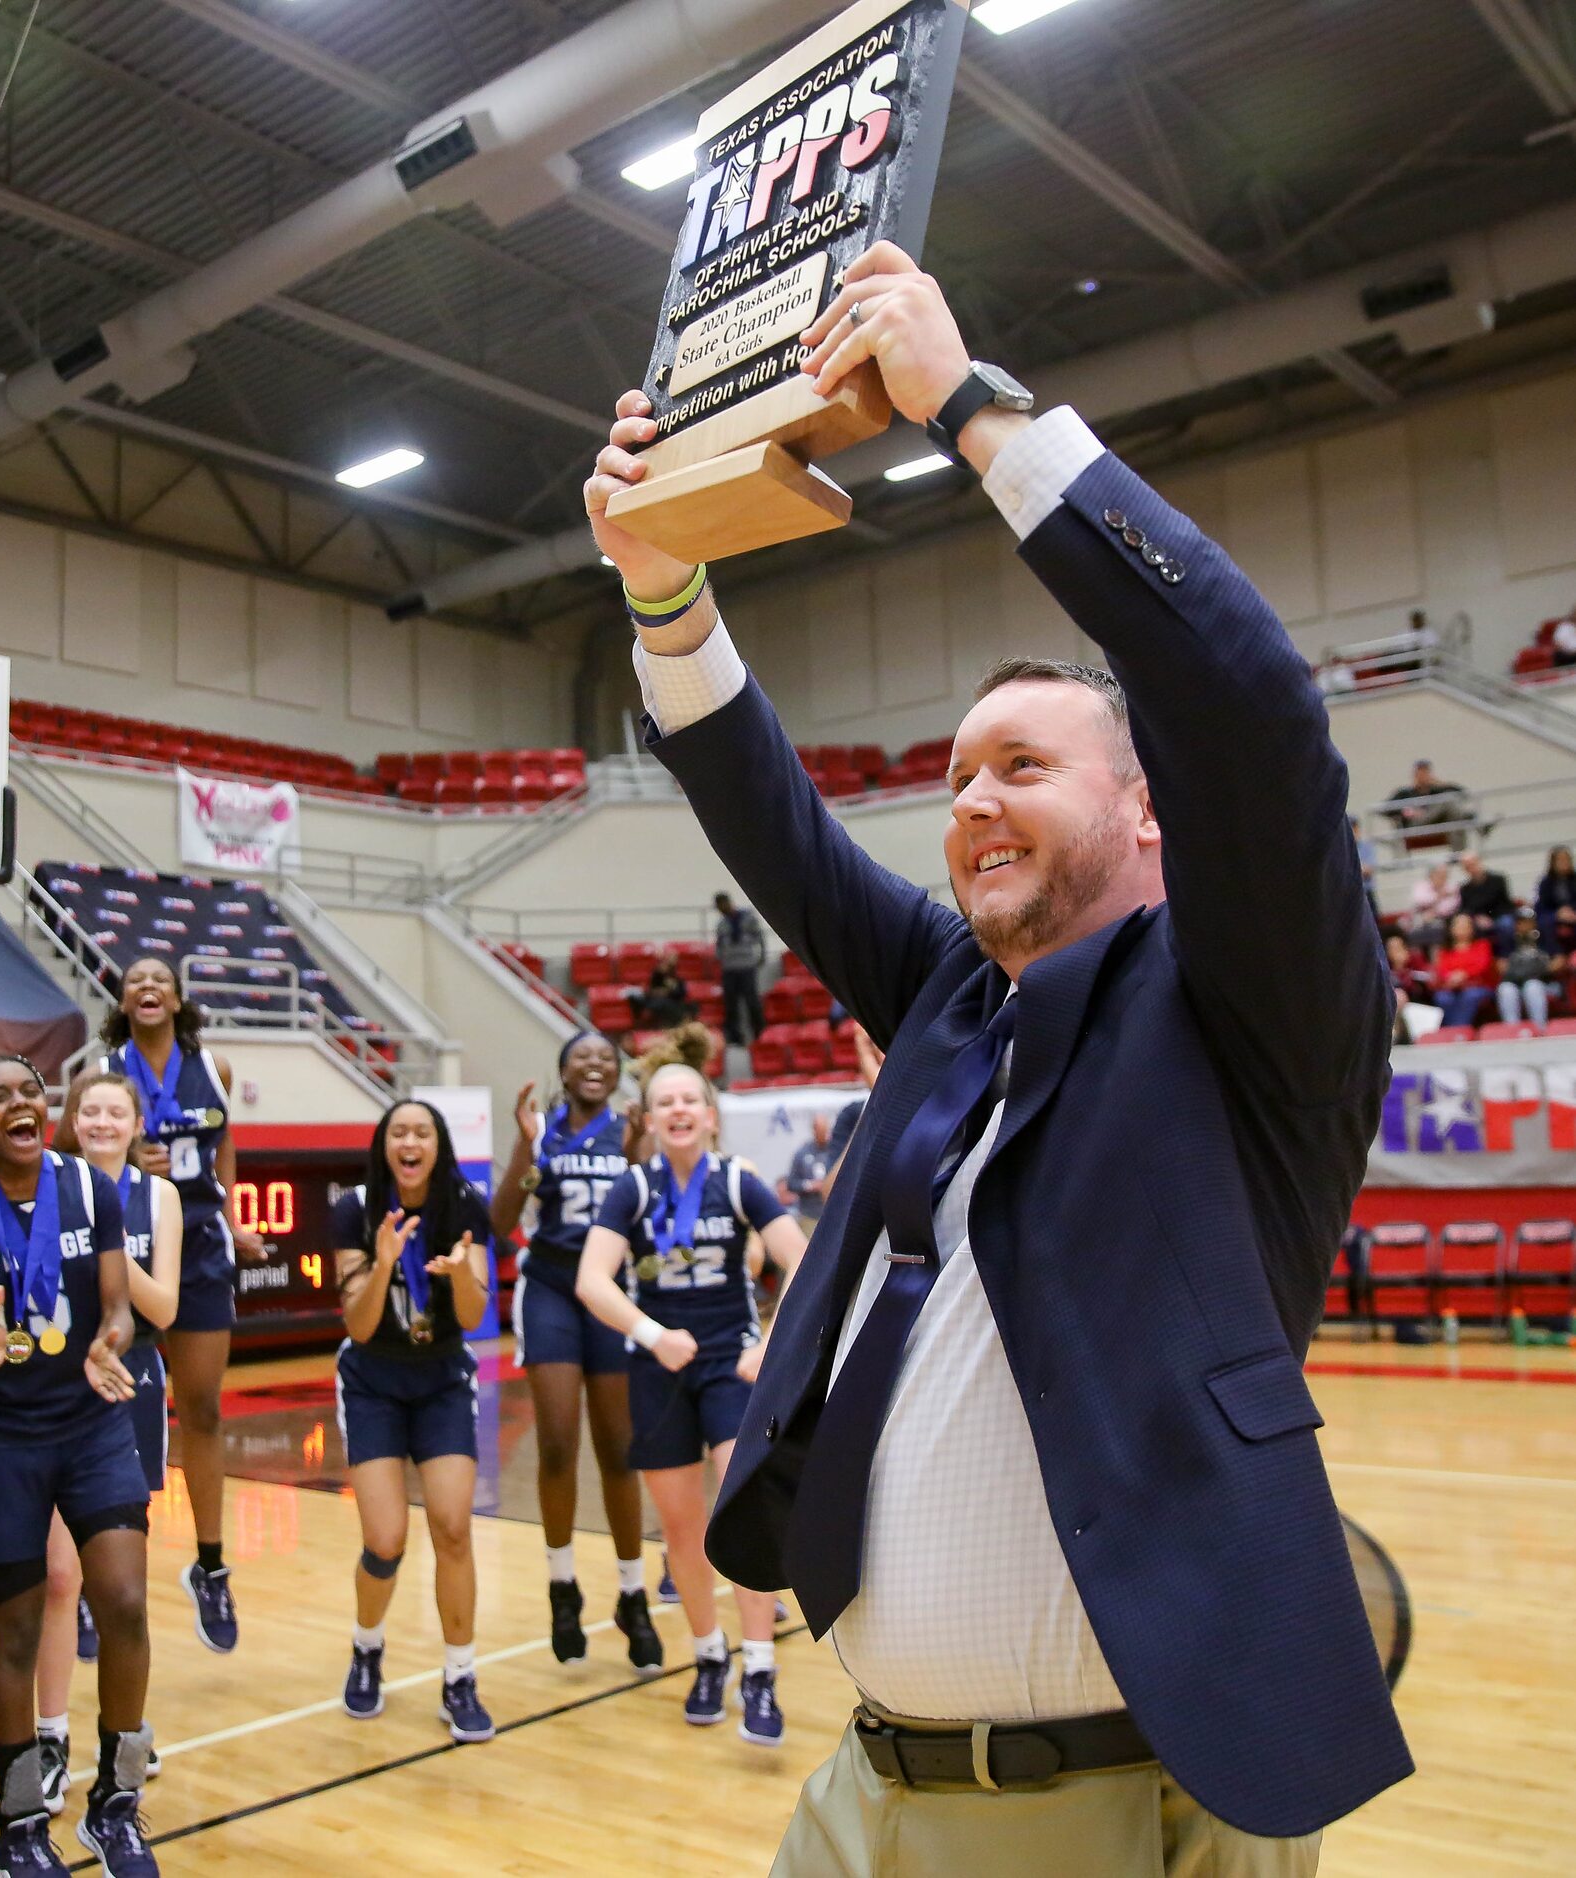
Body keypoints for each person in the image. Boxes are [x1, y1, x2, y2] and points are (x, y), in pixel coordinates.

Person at [586, 239, 1409, 1870]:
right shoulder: (958, 997)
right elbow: (775, 823)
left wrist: (970, 413)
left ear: (1145, 811)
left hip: (1100, 1809)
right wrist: (661, 581)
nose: (967, 800)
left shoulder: (1257, 1005)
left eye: (1020, 763)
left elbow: (1244, 704)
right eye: (956, 774)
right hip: (867, 1789)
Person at [0, 1055, 157, 1878]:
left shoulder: (91, 1188)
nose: (20, 1103)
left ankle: (116, 1807)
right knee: (15, 1636)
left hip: (92, 1429)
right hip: (8, 1441)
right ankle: (18, 1825)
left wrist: (109, 1338)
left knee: (122, 1602)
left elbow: (118, 1304)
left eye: (29, 1090)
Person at [575, 1036, 805, 1746]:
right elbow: (591, 1281)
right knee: (681, 1527)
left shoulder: (738, 1179)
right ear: (647, 1120)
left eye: (688, 1100)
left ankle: (759, 1668)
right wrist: (649, 1335)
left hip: (728, 1366)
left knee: (738, 1507)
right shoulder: (633, 1188)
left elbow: (802, 1262)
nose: (676, 1111)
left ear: (709, 1114)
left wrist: (769, 1346)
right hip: (658, 1369)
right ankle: (709, 1657)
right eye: (662, 1102)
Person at [93, 958, 265, 1655]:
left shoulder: (213, 1065)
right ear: (124, 1001)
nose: (148, 987)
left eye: (159, 977)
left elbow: (225, 1143)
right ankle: (89, 1572)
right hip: (127, 1239)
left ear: (177, 996)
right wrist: (130, 1154)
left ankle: (211, 1564)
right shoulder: (106, 1069)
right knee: (110, 1408)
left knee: (204, 1408)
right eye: (134, 979)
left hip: (197, 1245)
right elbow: (78, 1151)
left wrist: (230, 1212)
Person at [31, 1068, 184, 1815]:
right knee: (61, 1577)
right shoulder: (45, 1183)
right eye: (87, 1110)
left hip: (133, 1384)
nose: (99, 1121)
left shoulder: (159, 1197)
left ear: (135, 1123)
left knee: (121, 1585)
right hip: (59, 1384)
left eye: (113, 1111)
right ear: (73, 1119)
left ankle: (123, 1726)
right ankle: (50, 1733)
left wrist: (109, 1246)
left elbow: (164, 1305)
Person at [489, 1033, 661, 1671]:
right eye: (582, 1057)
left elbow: (651, 1213)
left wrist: (644, 1149)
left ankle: (631, 1592)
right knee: (558, 1441)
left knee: (619, 1449)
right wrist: (526, 1149)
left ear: (615, 1074)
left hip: (612, 1293)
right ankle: (562, 1584)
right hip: (552, 1290)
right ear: (562, 1071)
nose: (594, 1065)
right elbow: (501, 1216)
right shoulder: (544, 1132)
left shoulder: (628, 1130)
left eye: (605, 1059)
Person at [331, 1098, 497, 1742]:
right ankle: (366, 1646)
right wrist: (379, 1263)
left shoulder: (465, 1207)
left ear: (438, 1144)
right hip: (373, 1380)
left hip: (443, 1380)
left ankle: (460, 1676)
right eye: (398, 1131)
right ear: (384, 1145)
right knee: (386, 1539)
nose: (409, 1142)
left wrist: (458, 1277)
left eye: (421, 1132)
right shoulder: (354, 1210)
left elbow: (477, 1314)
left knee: (454, 1528)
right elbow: (360, 1324)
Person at [715, 892, 769, 1045]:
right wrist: (721, 957)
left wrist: (761, 957)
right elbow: (719, 945)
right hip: (729, 968)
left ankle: (759, 1032)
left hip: (746, 965)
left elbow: (760, 937)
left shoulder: (747, 918)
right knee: (731, 1003)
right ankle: (734, 1036)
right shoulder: (721, 924)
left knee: (752, 1001)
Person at [1383, 758, 1469, 848]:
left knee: (1454, 813)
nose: (1423, 776)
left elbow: (1463, 794)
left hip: (1436, 824)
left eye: (1426, 772)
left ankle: (1458, 857)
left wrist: (1442, 784)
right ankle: (1470, 817)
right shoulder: (1404, 793)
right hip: (1415, 826)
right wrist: (1407, 811)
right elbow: (1384, 809)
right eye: (1420, 773)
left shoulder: (1437, 790)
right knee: (1447, 802)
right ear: (1415, 775)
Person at [1496, 914, 1562, 1026]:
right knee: (1505, 989)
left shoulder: (1544, 938)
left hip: (1545, 982)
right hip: (1517, 981)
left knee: (1532, 986)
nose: (1524, 925)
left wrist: (1540, 970)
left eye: (1528, 921)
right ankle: (1513, 1030)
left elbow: (1560, 960)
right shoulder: (1510, 941)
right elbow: (1501, 965)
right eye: (1520, 922)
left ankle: (1539, 1028)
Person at [1434, 912, 1497, 1028]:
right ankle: (1450, 1030)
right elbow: (1442, 969)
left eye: (1465, 925)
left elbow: (1482, 965)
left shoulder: (1482, 945)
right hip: (1453, 987)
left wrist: (1464, 975)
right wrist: (1451, 977)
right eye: (1458, 925)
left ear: (1472, 928)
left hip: (1478, 986)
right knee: (1442, 997)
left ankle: (1459, 1030)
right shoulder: (1445, 950)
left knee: (1470, 996)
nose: (1461, 928)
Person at [777, 1111, 839, 1224]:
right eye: (821, 1131)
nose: (825, 1135)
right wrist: (809, 1185)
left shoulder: (835, 1152)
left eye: (826, 1130)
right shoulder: (802, 1153)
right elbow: (791, 1183)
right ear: (814, 1130)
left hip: (833, 1213)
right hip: (809, 1214)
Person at [1456, 850, 1516, 948]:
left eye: (1472, 864)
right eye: (1467, 866)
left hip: (1499, 915)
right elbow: (1465, 908)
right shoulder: (1465, 888)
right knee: (1466, 928)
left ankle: (1505, 956)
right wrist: (1476, 917)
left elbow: (1504, 903)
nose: (1471, 868)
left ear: (1479, 862)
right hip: (1478, 919)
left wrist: (1490, 919)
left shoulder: (1498, 880)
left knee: (1506, 924)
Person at [1400, 861, 1457, 950]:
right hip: (1419, 919)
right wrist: (1439, 896)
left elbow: (1450, 906)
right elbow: (1419, 900)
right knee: (1407, 927)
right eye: (1438, 874)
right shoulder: (1421, 886)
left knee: (1437, 929)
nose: (1442, 878)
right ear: (1431, 875)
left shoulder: (1451, 887)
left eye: (1444, 875)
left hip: (1442, 920)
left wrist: (1433, 911)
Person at [632, 957, 697, 1028]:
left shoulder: (677, 978)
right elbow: (650, 991)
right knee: (662, 1004)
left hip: (674, 1002)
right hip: (658, 1003)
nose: (667, 966)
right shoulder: (657, 975)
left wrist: (669, 991)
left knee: (692, 1005)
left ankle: (683, 1024)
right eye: (665, 963)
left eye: (671, 965)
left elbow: (681, 993)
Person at [1533, 845, 1576, 948]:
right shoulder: (1546, 883)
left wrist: (1571, 911)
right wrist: (1558, 913)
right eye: (1560, 860)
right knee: (1544, 923)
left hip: (1573, 913)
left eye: (1566, 860)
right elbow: (1542, 905)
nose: (1564, 863)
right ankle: (1556, 954)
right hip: (1554, 915)